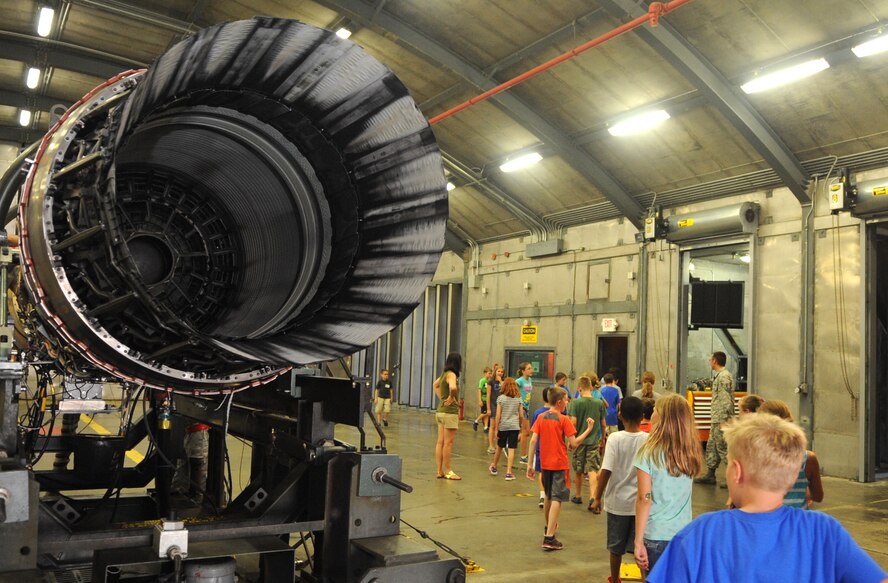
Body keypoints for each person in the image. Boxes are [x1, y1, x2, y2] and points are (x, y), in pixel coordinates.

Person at [646, 414, 888, 583]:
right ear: (794, 473)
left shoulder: (699, 534)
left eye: (729, 464)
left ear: (737, 472)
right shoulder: (825, 532)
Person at [634, 394, 703, 574]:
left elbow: (644, 499)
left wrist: (638, 541)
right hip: (683, 534)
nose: (652, 412)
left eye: (656, 409)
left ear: (662, 418)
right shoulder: (690, 453)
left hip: (655, 535)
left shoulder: (648, 452)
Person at [526, 386, 595, 551]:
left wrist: (530, 464)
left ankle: (548, 527)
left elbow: (533, 440)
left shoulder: (541, 417)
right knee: (557, 498)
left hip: (545, 464)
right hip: (559, 464)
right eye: (566, 400)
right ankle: (549, 537)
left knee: (549, 496)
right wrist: (589, 430)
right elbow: (574, 443)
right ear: (559, 402)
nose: (567, 403)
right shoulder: (563, 419)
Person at [590, 396, 649, 583]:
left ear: (620, 415)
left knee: (616, 549)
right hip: (642, 505)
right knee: (640, 548)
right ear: (642, 417)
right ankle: (646, 579)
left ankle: (615, 580)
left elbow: (606, 470)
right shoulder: (648, 439)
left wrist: (597, 497)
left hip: (617, 504)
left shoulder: (615, 438)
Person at [758, 399, 824, 509]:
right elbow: (818, 496)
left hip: (766, 521)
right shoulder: (808, 458)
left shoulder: (754, 457)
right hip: (798, 523)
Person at [567, 375, 607, 510]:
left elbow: (573, 422)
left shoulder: (576, 403)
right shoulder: (599, 403)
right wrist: (602, 439)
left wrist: (570, 440)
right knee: (592, 469)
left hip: (579, 441)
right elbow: (603, 423)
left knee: (578, 469)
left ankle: (578, 495)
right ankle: (592, 496)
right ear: (590, 387)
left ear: (579, 388)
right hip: (594, 440)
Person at [695, 351, 735, 486]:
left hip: (721, 418)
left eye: (710, 359)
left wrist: (723, 420)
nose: (709, 361)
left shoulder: (723, 377)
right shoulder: (721, 376)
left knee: (723, 447)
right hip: (716, 418)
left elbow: (725, 400)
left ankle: (734, 478)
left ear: (715, 361)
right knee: (712, 445)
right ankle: (710, 474)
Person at [434, 352, 463, 480]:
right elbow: (453, 387)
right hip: (449, 413)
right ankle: (449, 471)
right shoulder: (452, 374)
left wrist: (442, 399)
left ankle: (439, 470)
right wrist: (451, 397)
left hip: (440, 412)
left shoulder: (444, 374)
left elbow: (435, 385)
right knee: (448, 443)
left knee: (440, 442)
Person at [490, 376, 524, 481]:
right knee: (511, 448)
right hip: (514, 426)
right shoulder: (518, 398)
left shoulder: (501, 398)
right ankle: (509, 472)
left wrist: (496, 429)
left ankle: (494, 466)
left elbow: (498, 415)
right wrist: (520, 428)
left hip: (503, 426)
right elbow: (521, 415)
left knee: (499, 447)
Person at [530, 387, 553, 507]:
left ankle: (542, 495)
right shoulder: (560, 413)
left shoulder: (538, 413)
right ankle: (551, 495)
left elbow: (534, 432)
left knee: (542, 472)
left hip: (541, 447)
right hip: (554, 447)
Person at [516, 362, 534, 464]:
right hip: (521, 408)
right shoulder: (519, 381)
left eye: (531, 368)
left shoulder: (530, 380)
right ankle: (523, 456)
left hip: (527, 407)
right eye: (529, 368)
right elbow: (512, 389)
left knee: (526, 432)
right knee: (525, 432)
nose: (531, 370)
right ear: (523, 371)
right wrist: (519, 404)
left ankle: (509, 443)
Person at [486, 367, 504, 454]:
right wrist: (488, 408)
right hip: (493, 404)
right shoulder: (491, 381)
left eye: (501, 372)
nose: (500, 373)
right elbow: (488, 395)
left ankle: (498, 445)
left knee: (500, 426)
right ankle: (491, 445)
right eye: (498, 371)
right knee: (492, 426)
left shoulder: (503, 381)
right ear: (495, 372)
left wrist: (500, 381)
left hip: (501, 405)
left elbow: (505, 390)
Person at [473, 367, 493, 432]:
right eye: (489, 373)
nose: (490, 375)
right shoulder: (482, 380)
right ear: (484, 373)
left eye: (491, 373)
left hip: (488, 399)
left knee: (487, 414)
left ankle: (486, 427)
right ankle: (476, 421)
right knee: (485, 412)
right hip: (483, 399)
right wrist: (480, 400)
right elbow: (479, 390)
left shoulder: (489, 381)